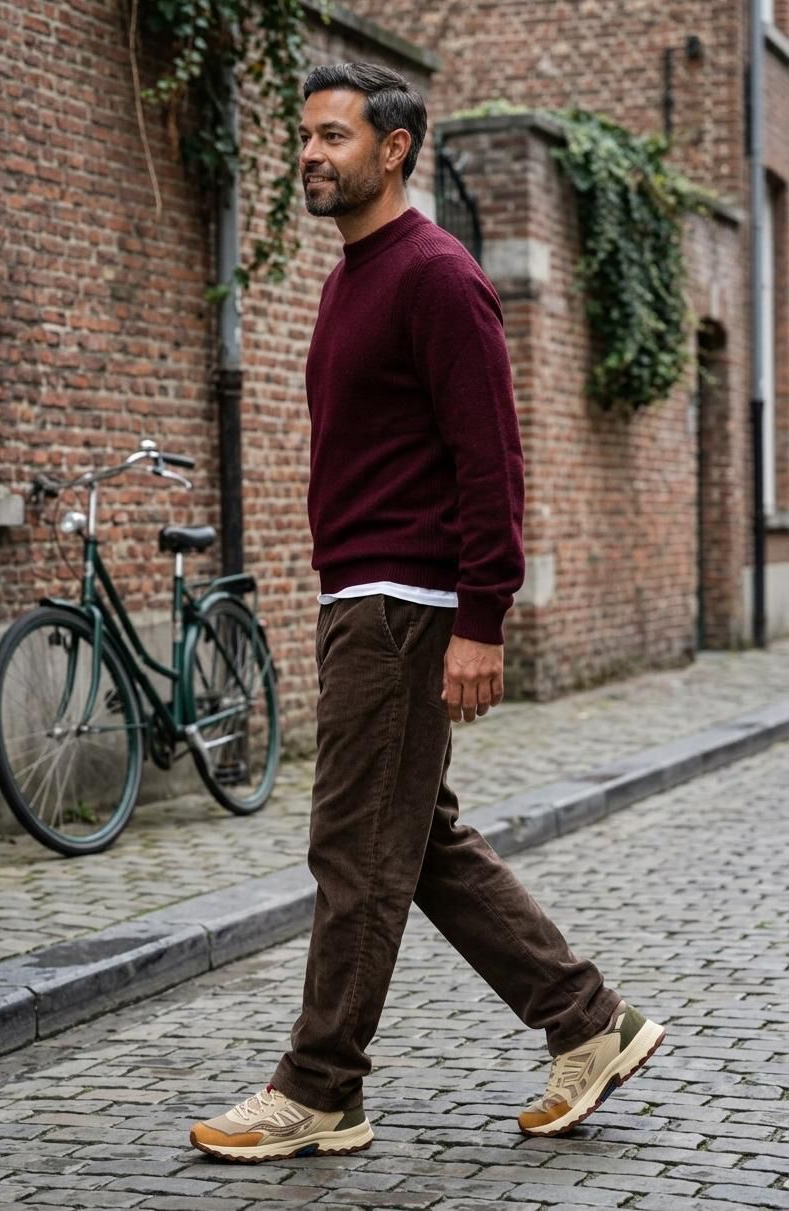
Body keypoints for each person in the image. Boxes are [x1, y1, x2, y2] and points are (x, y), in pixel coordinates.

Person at [190, 61, 664, 1163]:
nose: (309, 154)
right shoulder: (350, 279)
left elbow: (490, 461)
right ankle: (588, 1021)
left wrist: (480, 618)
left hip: (405, 604)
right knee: (416, 838)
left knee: (354, 848)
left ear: (393, 148)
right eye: (304, 136)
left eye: (333, 136)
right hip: (360, 597)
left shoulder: (438, 275)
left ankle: (318, 1087)